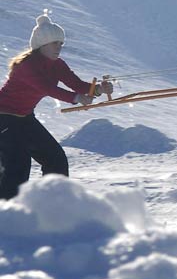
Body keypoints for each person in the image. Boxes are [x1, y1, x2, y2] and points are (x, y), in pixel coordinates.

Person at [0, 11, 113, 199]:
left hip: (25, 118)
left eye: (61, 43)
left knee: (56, 159)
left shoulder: (57, 64)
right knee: (18, 164)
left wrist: (98, 89)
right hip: (4, 118)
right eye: (55, 43)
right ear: (42, 44)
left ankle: (55, 204)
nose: (59, 47)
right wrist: (76, 98)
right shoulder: (26, 66)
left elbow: (78, 85)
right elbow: (46, 88)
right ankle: (7, 215)